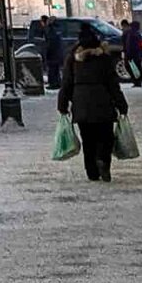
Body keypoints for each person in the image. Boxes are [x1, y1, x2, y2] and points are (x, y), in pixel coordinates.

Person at [56, 25, 129, 182]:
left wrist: (62, 105)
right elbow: (113, 84)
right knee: (105, 137)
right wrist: (121, 104)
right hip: (104, 105)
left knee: (88, 140)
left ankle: (92, 172)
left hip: (81, 105)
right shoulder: (104, 58)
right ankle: (103, 161)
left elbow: (66, 84)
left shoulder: (72, 59)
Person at [120, 19, 142, 83]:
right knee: (136, 67)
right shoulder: (135, 33)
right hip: (136, 53)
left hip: (132, 53)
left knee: (132, 67)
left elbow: (128, 44)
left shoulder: (129, 33)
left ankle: (136, 81)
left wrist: (127, 53)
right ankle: (137, 81)